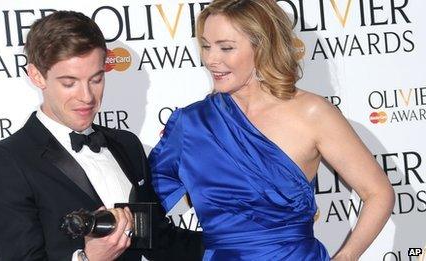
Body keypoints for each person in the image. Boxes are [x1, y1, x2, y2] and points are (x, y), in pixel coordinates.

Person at [149, 0, 394, 260]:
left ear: (262, 47)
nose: (211, 59)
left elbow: (378, 193)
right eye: (207, 46)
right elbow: (143, 204)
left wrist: (346, 257)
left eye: (226, 47)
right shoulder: (191, 124)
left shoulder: (313, 113)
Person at [0, 11, 203, 261]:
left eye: (96, 79)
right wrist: (87, 259)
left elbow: (161, 242)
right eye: (69, 82)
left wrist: (242, 241)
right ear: (37, 75)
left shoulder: (127, 144)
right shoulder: (2, 161)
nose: (87, 96)